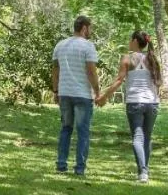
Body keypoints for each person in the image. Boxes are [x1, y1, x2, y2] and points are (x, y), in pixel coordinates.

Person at [97, 30, 160, 182]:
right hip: (152, 103)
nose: (128, 42)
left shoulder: (127, 58)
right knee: (147, 137)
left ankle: (143, 172)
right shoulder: (152, 59)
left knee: (138, 137)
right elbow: (159, 82)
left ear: (135, 41)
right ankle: (145, 171)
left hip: (135, 102)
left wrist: (104, 96)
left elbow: (119, 80)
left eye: (130, 39)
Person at [51, 15, 100, 175]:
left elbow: (55, 70)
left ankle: (61, 164)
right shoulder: (88, 46)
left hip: (64, 93)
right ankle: (79, 168)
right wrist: (97, 91)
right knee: (83, 131)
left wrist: (55, 91)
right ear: (84, 28)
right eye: (90, 28)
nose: (90, 31)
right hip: (82, 94)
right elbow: (91, 71)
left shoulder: (60, 45)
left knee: (66, 128)